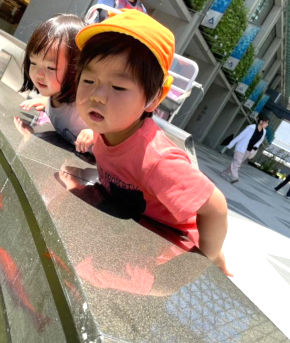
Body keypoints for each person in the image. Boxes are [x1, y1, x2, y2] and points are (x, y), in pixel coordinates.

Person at [69, 9, 230, 275]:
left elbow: (215, 207)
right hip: (131, 223)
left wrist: (206, 257)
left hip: (168, 244)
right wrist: (92, 134)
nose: (97, 95)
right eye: (88, 80)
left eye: (118, 87)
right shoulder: (112, 124)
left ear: (154, 98)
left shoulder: (156, 159)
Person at [17, 14, 94, 153]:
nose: (38, 74)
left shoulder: (86, 104)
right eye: (33, 63)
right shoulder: (55, 97)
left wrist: (97, 135)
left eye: (50, 67)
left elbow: (120, 129)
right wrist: (46, 103)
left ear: (76, 69)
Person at [222, 116, 269, 183]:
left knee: (238, 163)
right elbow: (240, 136)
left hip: (248, 150)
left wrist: (254, 149)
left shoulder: (264, 131)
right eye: (266, 122)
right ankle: (234, 177)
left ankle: (225, 172)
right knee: (237, 162)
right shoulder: (251, 127)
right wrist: (231, 144)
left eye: (267, 123)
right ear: (261, 121)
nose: (267, 124)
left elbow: (259, 141)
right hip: (241, 148)